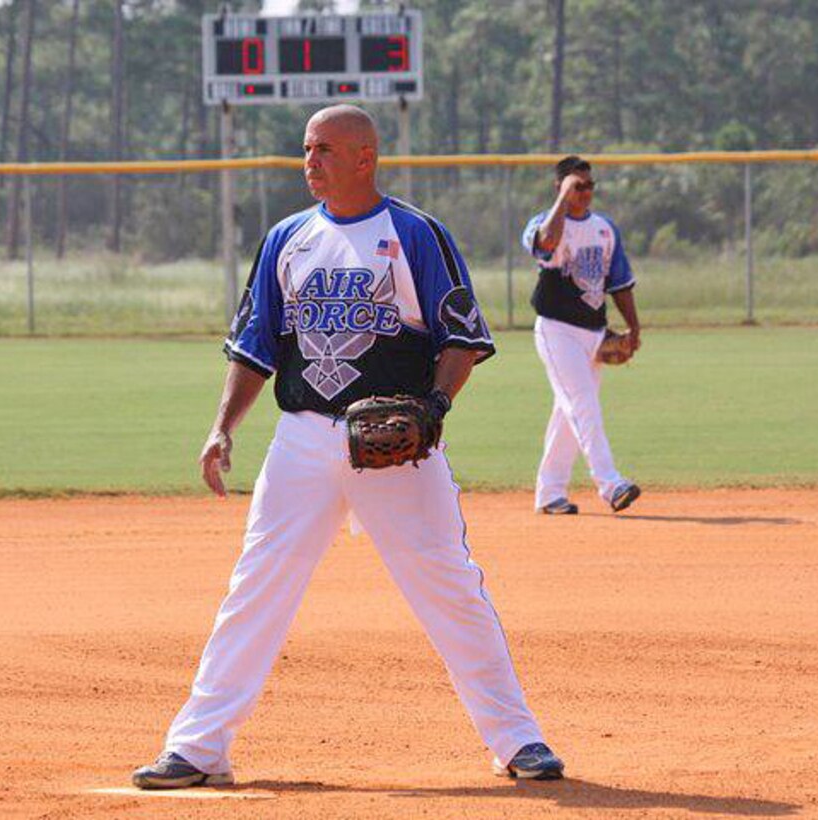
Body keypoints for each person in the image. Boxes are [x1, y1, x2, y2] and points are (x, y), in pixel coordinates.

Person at [132, 105, 564, 789]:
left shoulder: (415, 234)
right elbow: (254, 348)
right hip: (301, 439)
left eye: (325, 149)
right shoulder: (286, 239)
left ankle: (517, 740)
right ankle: (199, 747)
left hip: (397, 446)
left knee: (449, 589)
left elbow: (459, 338)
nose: (310, 162)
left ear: (365, 157)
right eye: (306, 150)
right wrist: (223, 427)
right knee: (256, 587)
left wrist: (435, 406)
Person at [520, 155, 642, 516]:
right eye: (578, 185)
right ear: (560, 187)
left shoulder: (605, 229)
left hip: (593, 331)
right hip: (556, 331)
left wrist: (633, 327)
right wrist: (563, 201)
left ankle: (549, 492)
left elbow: (619, 283)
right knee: (583, 404)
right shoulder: (543, 222)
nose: (585, 192)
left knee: (568, 411)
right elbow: (545, 244)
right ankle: (611, 483)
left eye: (589, 185)